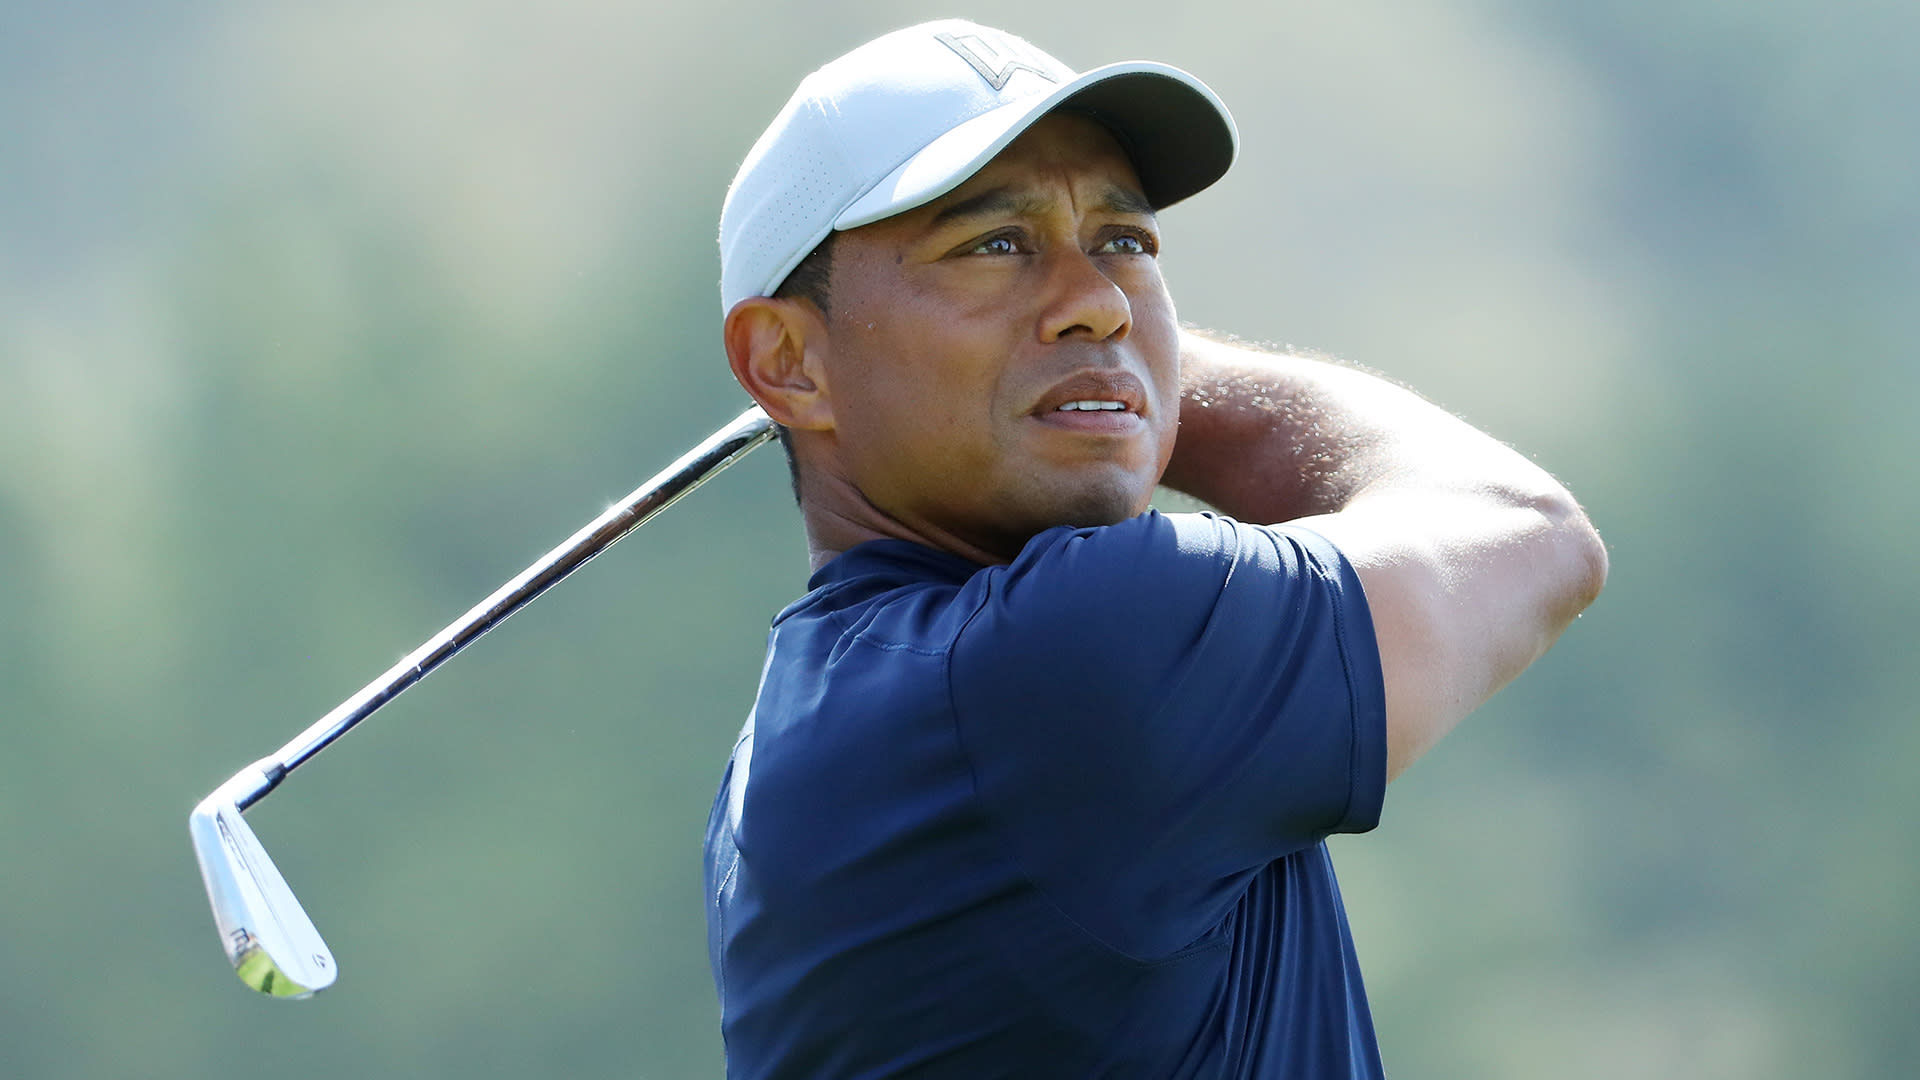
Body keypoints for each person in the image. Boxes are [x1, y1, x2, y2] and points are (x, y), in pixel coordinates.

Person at [704, 19, 1607, 1079]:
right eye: (995, 245)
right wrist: (1125, 378)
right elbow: (1526, 531)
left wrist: (1104, 374)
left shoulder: (808, 721)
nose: (1095, 298)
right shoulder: (1074, 655)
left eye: (1126, 243)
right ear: (787, 363)